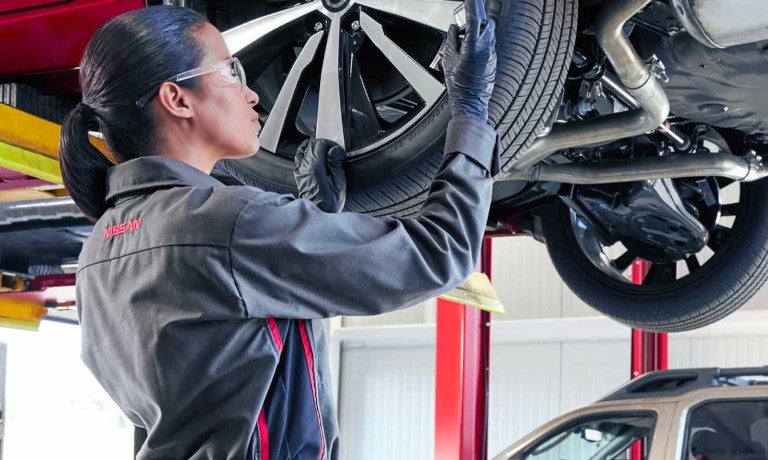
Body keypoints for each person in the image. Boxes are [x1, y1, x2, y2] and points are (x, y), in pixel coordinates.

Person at [58, 2, 497, 458]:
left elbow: (229, 363)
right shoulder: (225, 222)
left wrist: (310, 219)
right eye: (230, 70)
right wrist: (470, 111)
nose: (251, 94)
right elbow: (441, 252)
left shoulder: (96, 255)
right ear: (178, 99)